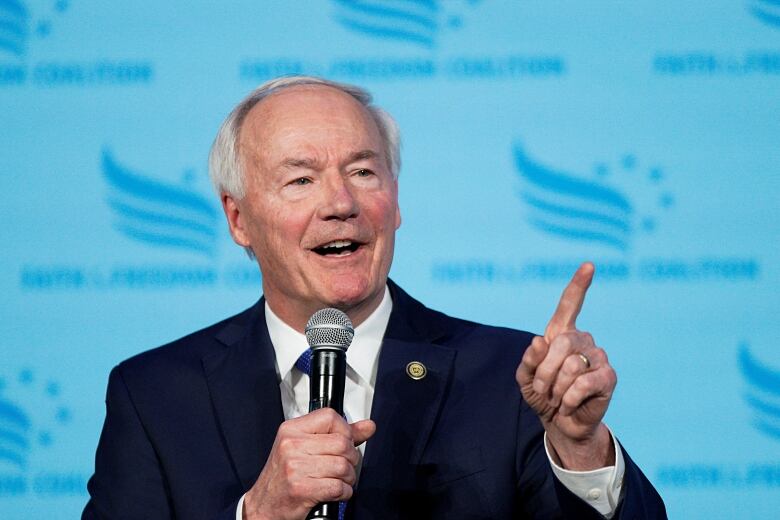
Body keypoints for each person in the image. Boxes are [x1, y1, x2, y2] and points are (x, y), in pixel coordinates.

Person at [83, 76, 666, 519]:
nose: (341, 202)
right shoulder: (156, 397)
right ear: (239, 219)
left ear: (396, 197)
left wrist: (580, 447)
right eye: (300, 179)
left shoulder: (511, 378)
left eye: (363, 172)